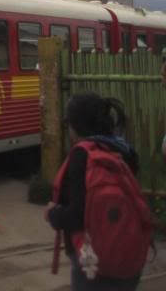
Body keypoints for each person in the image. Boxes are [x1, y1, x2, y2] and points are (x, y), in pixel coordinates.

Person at [45, 92, 142, 290]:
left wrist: (53, 214)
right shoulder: (125, 151)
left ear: (75, 125)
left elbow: (77, 216)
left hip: (92, 262)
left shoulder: (82, 156)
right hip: (130, 255)